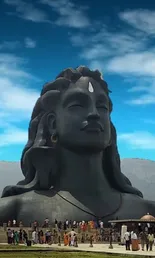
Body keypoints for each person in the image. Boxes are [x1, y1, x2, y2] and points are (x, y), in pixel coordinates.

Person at [1, 66, 155, 226]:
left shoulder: (146, 209)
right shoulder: (13, 209)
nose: (94, 113)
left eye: (102, 107)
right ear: (53, 124)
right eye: (77, 105)